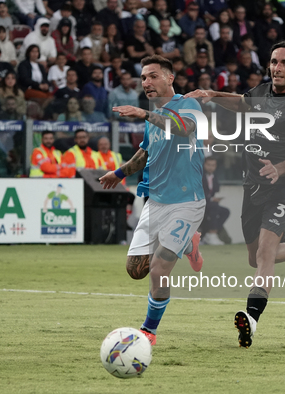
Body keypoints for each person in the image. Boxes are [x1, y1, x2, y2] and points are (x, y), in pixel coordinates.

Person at [184, 41, 285, 348]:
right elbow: (241, 103)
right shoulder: (260, 92)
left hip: (284, 188)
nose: (277, 67)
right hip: (253, 187)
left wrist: (279, 168)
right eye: (274, 61)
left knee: (264, 254)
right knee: (255, 258)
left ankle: (251, 320)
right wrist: (212, 95)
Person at [99, 55, 205, 346]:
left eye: (153, 76)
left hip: (187, 201)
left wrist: (145, 114)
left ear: (170, 78)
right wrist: (119, 173)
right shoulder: (152, 117)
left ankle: (148, 331)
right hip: (155, 201)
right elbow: (145, 153)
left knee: (159, 269)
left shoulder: (188, 104)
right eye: (143, 77)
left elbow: (184, 128)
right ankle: (189, 242)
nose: (146, 83)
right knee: (135, 270)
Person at [200, 156, 230, 246]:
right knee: (214, 206)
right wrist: (211, 199)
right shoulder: (200, 175)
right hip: (200, 203)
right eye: (208, 165)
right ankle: (212, 234)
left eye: (213, 165)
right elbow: (198, 192)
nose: (210, 167)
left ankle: (210, 233)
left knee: (225, 212)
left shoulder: (214, 176)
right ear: (204, 164)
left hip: (209, 204)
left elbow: (215, 190)